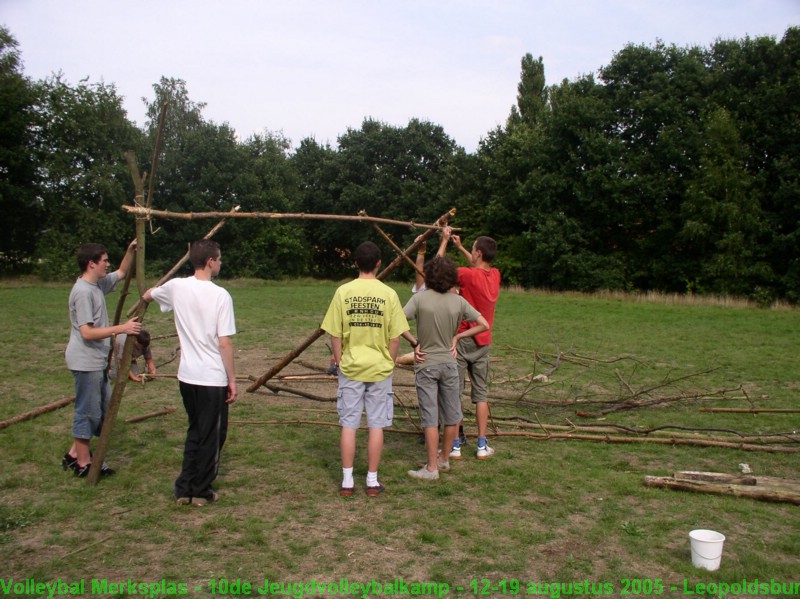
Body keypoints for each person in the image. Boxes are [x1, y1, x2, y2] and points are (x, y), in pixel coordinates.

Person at [143, 240, 237, 507]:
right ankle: (199, 490)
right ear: (209, 261)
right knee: (212, 435)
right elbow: (225, 343)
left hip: (187, 377)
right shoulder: (220, 296)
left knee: (196, 430)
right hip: (211, 377)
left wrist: (150, 293)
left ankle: (184, 488)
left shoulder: (176, 287)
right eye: (219, 258)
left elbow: (148, 295)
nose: (221, 262)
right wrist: (232, 380)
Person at [321, 241, 409, 497]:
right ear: (379, 263)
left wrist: (339, 362)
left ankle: (347, 481)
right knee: (376, 425)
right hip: (380, 368)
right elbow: (395, 337)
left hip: (351, 367)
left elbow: (334, 335)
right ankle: (372, 480)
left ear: (356, 263)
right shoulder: (389, 294)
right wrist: (390, 363)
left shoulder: (343, 292)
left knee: (349, 424)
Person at [403, 256, 489, 480]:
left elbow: (396, 320)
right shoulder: (458, 301)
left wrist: (414, 343)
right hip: (450, 365)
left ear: (429, 276)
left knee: (431, 417)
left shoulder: (420, 299)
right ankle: (443, 460)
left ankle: (431, 468)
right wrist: (458, 336)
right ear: (451, 278)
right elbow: (484, 324)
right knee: (452, 415)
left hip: (426, 364)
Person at [62, 240, 141, 478]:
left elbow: (122, 272)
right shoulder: (83, 292)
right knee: (87, 411)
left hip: (96, 361)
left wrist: (130, 251)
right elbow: (87, 332)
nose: (108, 264)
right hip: (85, 360)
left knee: (103, 409)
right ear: (91, 263)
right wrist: (122, 328)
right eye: (104, 260)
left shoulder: (96, 285)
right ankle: (84, 463)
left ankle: (74, 454)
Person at [438, 226, 500, 459]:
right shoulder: (495, 275)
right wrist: (462, 247)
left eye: (473, 249)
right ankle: (482, 445)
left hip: (462, 341)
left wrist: (444, 242)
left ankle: (455, 446)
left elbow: (438, 268)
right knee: (481, 395)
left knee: (455, 393)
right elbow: (478, 268)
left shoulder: (466, 274)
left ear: (479, 254)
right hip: (483, 342)